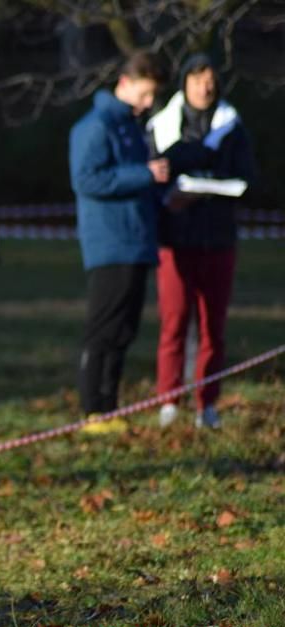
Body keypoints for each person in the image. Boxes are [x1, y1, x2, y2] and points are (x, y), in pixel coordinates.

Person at [146, 53, 257, 429]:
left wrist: (205, 188)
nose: (204, 87)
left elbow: (246, 177)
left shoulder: (232, 127)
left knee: (213, 326)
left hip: (218, 238)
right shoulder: (160, 127)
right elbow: (150, 175)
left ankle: (206, 402)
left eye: (210, 80)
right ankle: (169, 400)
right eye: (197, 80)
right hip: (174, 238)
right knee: (174, 321)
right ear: (185, 83)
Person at [68, 52, 171, 434]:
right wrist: (142, 174)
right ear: (125, 83)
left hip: (137, 241)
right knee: (103, 329)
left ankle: (109, 407)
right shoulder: (94, 126)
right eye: (145, 94)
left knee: (124, 331)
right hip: (110, 243)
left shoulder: (132, 126)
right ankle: (92, 410)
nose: (148, 103)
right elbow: (87, 179)